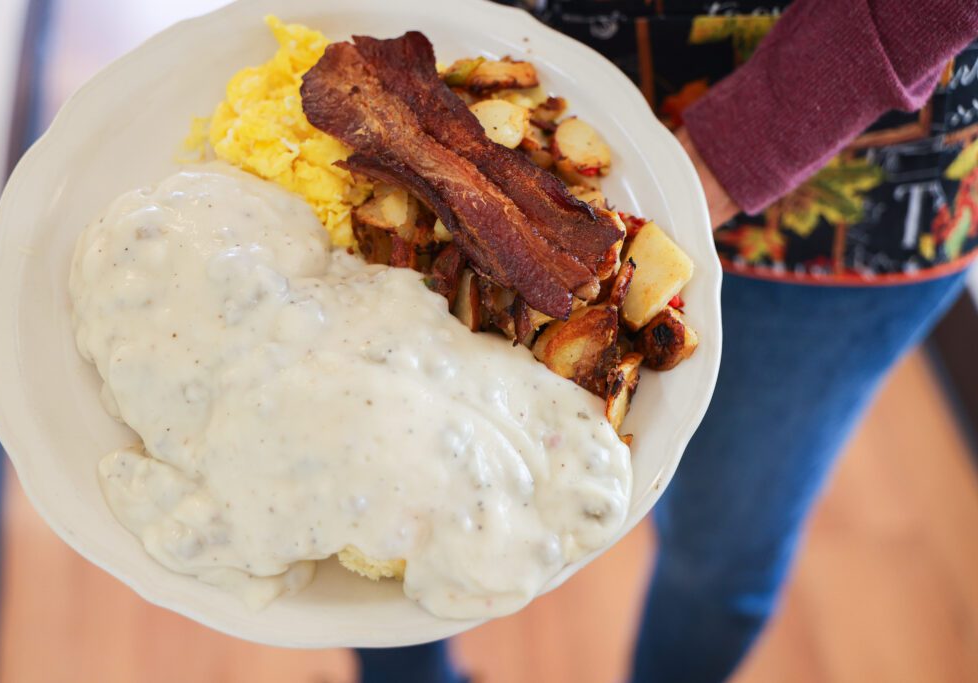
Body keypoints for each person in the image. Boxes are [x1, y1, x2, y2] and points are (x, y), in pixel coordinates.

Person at [356, 1, 978, 681]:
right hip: (486, 94)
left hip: (841, 183)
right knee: (369, 478)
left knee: (720, 550)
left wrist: (733, 151)